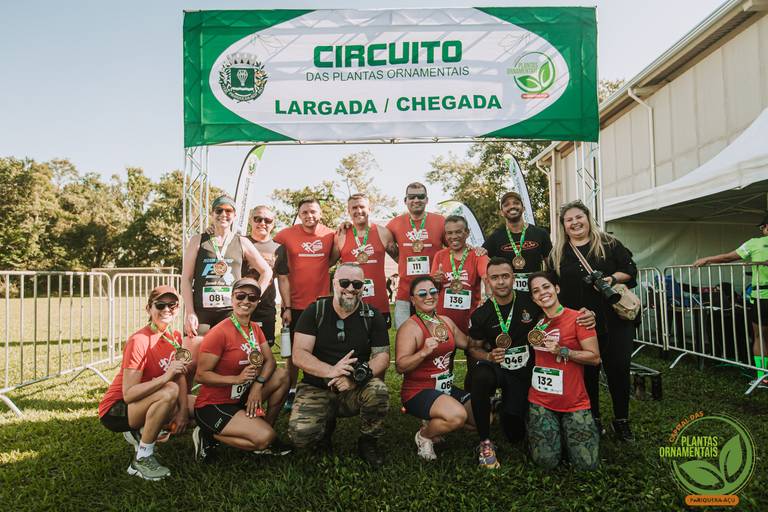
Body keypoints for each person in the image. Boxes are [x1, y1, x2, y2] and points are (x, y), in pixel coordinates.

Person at [467, 257, 596, 468]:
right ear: (487, 281)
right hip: (500, 369)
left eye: (505, 276)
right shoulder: (482, 313)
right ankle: (485, 441)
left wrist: (589, 314)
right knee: (480, 376)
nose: (501, 282)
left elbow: (558, 309)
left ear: (513, 277)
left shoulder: (531, 300)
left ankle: (507, 407)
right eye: (495, 278)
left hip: (527, 372)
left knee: (515, 434)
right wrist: (488, 356)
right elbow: (473, 348)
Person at [550, 199, 638, 441]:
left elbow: (631, 271)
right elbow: (552, 285)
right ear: (563, 225)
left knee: (618, 370)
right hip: (581, 324)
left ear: (588, 218)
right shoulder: (558, 253)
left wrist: (611, 279)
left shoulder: (609, 243)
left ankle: (621, 420)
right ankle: (594, 418)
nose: (575, 222)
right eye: (569, 219)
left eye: (579, 217)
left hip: (615, 320)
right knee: (587, 373)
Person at [288, 263, 390, 467]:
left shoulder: (372, 315)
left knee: (378, 390)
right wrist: (331, 371)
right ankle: (324, 430)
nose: (351, 288)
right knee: (301, 436)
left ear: (363, 287)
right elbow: (299, 354)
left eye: (357, 284)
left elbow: (383, 357)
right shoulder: (315, 311)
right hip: (317, 386)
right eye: (345, 283)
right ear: (334, 283)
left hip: (353, 387)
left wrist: (354, 379)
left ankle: (368, 441)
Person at [98, 285, 194, 480]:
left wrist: (182, 413)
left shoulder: (174, 336)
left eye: (172, 305)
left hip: (149, 397)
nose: (166, 309)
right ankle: (142, 458)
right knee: (169, 390)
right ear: (149, 308)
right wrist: (166, 377)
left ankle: (148, 429)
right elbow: (129, 394)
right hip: (117, 409)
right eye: (160, 305)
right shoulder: (139, 340)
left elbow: (180, 375)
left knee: (199, 406)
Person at [192, 278, 291, 461]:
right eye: (240, 296)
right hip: (214, 405)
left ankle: (265, 429)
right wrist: (236, 379)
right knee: (263, 438)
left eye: (252, 298)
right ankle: (207, 433)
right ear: (232, 298)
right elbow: (201, 375)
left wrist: (257, 386)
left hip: (242, 397)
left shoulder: (254, 329)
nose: (246, 301)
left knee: (282, 375)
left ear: (257, 302)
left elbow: (270, 361)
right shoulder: (219, 332)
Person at [526, 271, 601, 470]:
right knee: (545, 463)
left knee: (587, 465)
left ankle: (566, 441)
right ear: (533, 298)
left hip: (574, 401)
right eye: (536, 291)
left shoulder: (579, 318)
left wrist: (563, 351)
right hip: (541, 401)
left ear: (556, 288)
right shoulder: (537, 323)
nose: (542, 293)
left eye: (546, 287)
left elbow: (595, 358)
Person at [396, 275, 474, 461]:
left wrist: (490, 338)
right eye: (422, 294)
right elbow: (400, 366)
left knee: (482, 418)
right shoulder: (410, 327)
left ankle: (436, 420)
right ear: (413, 299)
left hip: (444, 389)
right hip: (418, 391)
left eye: (433, 292)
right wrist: (423, 352)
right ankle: (424, 435)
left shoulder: (446, 321)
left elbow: (468, 344)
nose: (429, 296)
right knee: (457, 416)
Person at [274, 198, 339, 410]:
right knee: (294, 353)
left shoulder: (331, 235)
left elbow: (333, 258)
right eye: (304, 212)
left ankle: (321, 389)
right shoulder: (285, 235)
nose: (309, 216)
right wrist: (286, 307)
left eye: (313, 211)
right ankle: (291, 391)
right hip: (295, 305)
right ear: (299, 214)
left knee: (322, 349)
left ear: (320, 213)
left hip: (322, 304)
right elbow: (263, 245)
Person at [181, 195, 273, 336]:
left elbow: (267, 271)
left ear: (235, 215)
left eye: (228, 211)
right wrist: (190, 312)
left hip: (231, 311)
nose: (223, 214)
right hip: (201, 311)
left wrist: (253, 297)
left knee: (231, 349)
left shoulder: (242, 242)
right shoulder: (198, 241)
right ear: (212, 214)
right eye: (219, 210)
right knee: (195, 348)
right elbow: (186, 279)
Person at [694, 213, 768, 382]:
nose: (761, 230)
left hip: (762, 297)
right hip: (761, 296)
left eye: (762, 227)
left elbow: (728, 257)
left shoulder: (755, 243)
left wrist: (706, 259)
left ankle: (763, 377)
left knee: (760, 337)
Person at [431, 215, 489, 390]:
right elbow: (432, 288)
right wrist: (435, 280)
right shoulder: (440, 256)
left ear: (467, 233)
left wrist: (488, 298)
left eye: (458, 232)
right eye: (449, 233)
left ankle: (472, 398)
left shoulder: (476, 255)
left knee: (474, 365)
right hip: (445, 320)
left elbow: (488, 277)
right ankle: (443, 396)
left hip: (471, 320)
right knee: (444, 363)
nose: (453, 236)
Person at [387, 182, 447, 329]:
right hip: (405, 292)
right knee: (404, 333)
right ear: (405, 200)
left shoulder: (441, 221)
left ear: (427, 199)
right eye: (411, 197)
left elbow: (454, 248)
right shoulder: (395, 223)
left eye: (420, 196)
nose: (416, 200)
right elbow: (379, 239)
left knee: (436, 333)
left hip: (433, 290)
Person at [336, 193, 396, 327]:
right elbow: (326, 262)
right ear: (348, 211)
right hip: (350, 303)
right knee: (352, 339)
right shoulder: (341, 235)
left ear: (370, 209)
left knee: (380, 340)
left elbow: (400, 259)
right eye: (354, 208)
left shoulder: (383, 233)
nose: (358, 211)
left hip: (379, 304)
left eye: (362, 207)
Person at [483, 191, 553, 296]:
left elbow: (552, 266)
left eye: (516, 203)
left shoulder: (540, 233)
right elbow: (481, 260)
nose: (512, 206)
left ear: (523, 208)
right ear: (501, 212)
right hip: (508, 296)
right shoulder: (495, 237)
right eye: (506, 205)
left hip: (536, 294)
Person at [243, 205, 287, 346]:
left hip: (265, 308)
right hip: (240, 306)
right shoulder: (239, 242)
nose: (263, 223)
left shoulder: (279, 248)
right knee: (236, 349)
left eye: (268, 220)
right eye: (258, 219)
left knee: (264, 349)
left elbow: (283, 280)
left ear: (273, 224)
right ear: (251, 220)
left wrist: (287, 308)